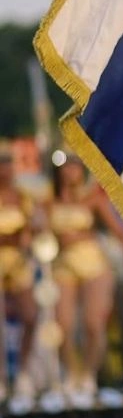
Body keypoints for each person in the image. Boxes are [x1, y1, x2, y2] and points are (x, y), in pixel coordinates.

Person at [47, 154, 123, 396]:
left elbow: (120, 235)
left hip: (94, 265)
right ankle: (71, 373)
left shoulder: (93, 198)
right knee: (63, 325)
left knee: (94, 323)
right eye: (66, 167)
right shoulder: (49, 201)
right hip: (63, 266)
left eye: (74, 167)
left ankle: (89, 374)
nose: (70, 172)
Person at [0, 142, 38, 399]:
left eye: (8, 164)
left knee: (30, 316)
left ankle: (23, 371)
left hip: (19, 264)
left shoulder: (23, 197)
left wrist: (26, 235)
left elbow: (32, 229)